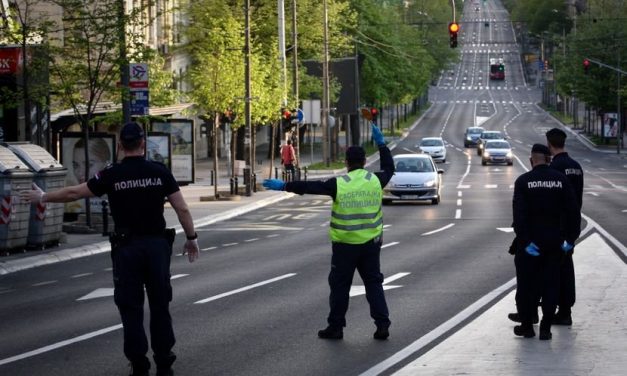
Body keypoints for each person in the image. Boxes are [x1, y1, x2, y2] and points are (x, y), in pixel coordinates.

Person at [21, 122, 200, 376]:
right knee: (160, 304)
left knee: (130, 307)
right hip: (156, 247)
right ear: (143, 144)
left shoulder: (111, 174)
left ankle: (139, 364)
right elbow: (182, 208)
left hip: (126, 249)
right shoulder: (159, 171)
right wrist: (191, 237)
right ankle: (164, 361)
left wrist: (44, 197)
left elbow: (75, 192)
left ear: (119, 146)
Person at [263, 124, 394, 340]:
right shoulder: (376, 180)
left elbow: (311, 187)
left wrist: (283, 186)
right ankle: (382, 324)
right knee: (373, 284)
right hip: (371, 244)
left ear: (346, 163)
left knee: (340, 287)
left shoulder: (339, 184)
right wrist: (382, 144)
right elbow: (389, 168)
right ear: (364, 162)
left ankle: (336, 327)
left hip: (344, 246)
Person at [511, 144, 580, 340]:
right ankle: (546, 328)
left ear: (531, 160)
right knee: (551, 286)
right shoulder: (561, 180)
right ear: (549, 159)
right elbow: (573, 213)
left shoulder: (523, 182)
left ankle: (527, 327)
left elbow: (519, 216)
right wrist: (569, 240)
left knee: (526, 287)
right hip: (554, 243)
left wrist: (525, 242)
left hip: (531, 245)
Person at [546, 128, 584, 325]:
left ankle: (558, 311)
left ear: (549, 144)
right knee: (567, 267)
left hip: (557, 227)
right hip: (572, 225)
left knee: (554, 270)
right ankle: (566, 309)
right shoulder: (576, 166)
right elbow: (578, 198)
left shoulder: (555, 168)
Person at [66, 138, 113, 214]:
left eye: (89, 165)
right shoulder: (72, 206)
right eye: (76, 165)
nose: (80, 172)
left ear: (106, 165)